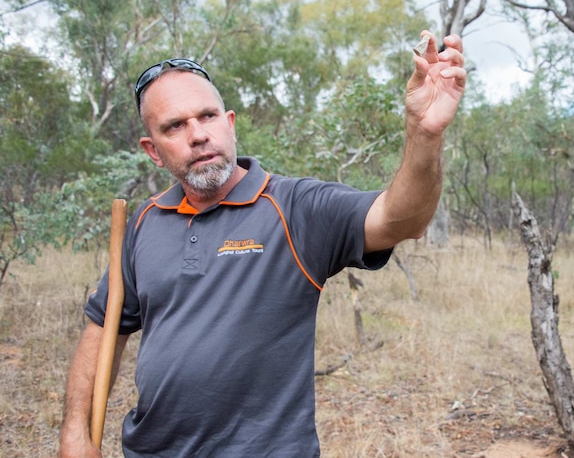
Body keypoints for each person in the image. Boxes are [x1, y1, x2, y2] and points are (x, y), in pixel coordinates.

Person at [59, 31, 466, 457]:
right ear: (153, 151)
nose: (198, 135)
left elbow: (402, 218)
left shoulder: (295, 208)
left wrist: (424, 134)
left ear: (230, 123)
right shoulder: (143, 222)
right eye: (175, 126)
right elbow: (103, 329)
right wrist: (75, 435)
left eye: (208, 116)